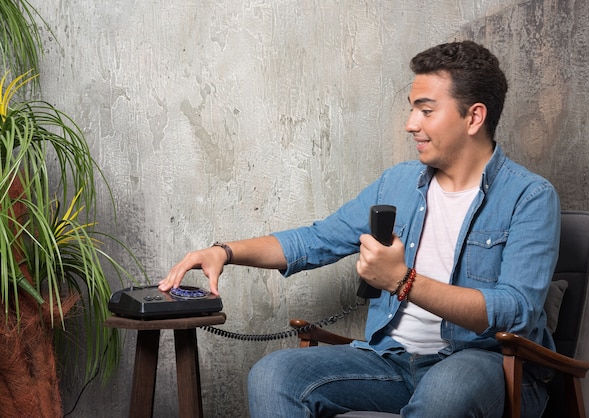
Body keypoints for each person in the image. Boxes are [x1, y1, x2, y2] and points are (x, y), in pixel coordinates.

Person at [158, 40, 560, 417]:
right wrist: (224, 252)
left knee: (447, 389)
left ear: (473, 116)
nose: (409, 124)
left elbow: (515, 311)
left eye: (425, 110)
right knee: (274, 374)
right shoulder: (398, 183)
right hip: (393, 361)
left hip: (486, 365)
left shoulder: (530, 197)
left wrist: (403, 281)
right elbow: (317, 239)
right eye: (411, 109)